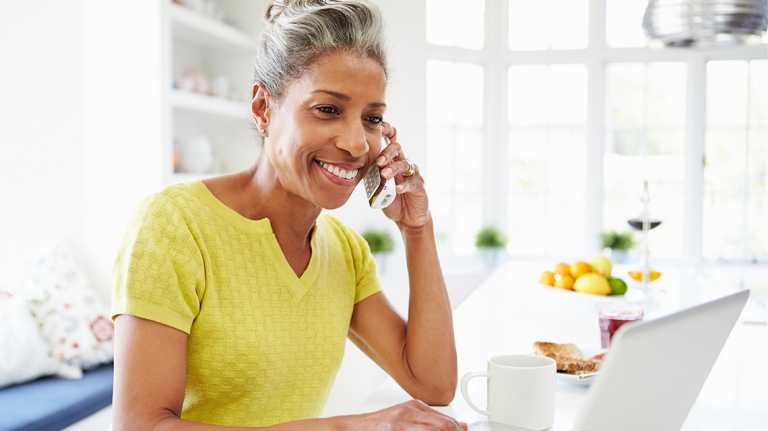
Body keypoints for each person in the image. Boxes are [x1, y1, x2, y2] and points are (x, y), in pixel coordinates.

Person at [111, 1, 465, 429]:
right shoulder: (174, 226)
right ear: (263, 108)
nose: (357, 143)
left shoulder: (344, 252)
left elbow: (434, 382)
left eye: (372, 119)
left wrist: (417, 228)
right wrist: (349, 426)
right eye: (328, 109)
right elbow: (140, 426)